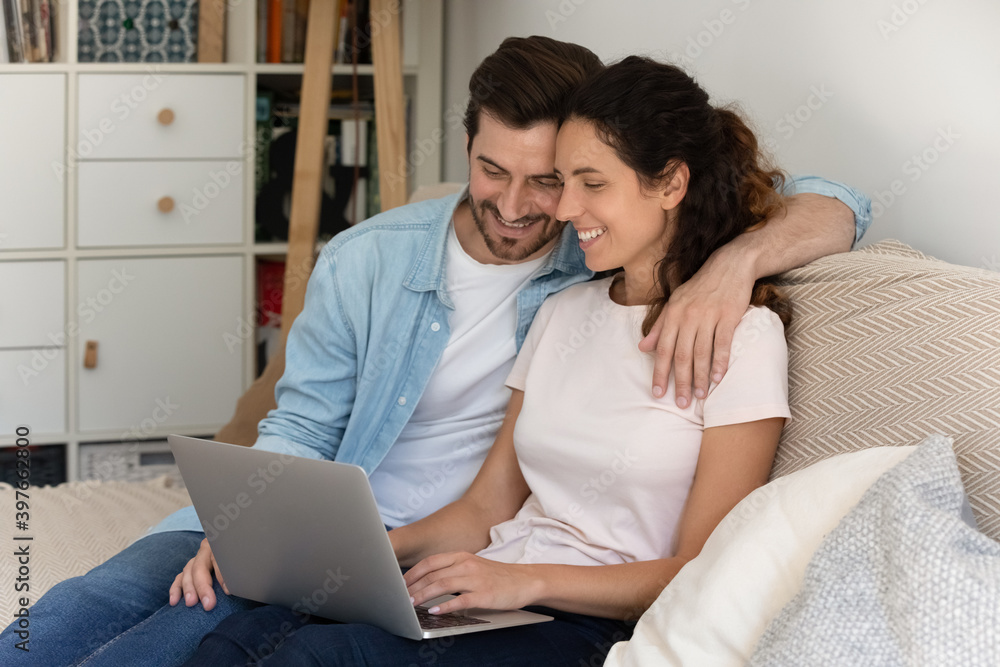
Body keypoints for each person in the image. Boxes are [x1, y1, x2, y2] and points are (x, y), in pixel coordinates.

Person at [0, 37, 869, 666]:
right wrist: (252, 530)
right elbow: (300, 422)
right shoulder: (376, 260)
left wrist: (735, 263)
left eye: (557, 179)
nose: (532, 206)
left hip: (443, 554)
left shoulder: (600, 259)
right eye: (498, 171)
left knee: (190, 639)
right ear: (466, 147)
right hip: (319, 514)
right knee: (79, 613)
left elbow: (831, 200)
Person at [181, 53, 796, 666]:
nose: (561, 209)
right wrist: (336, 556)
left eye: (591, 184)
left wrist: (528, 582)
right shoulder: (563, 312)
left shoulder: (742, 338)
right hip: (488, 586)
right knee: (238, 640)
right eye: (565, 180)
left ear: (670, 183)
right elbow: (483, 511)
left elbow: (702, 570)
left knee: (312, 659)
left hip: (578, 620)